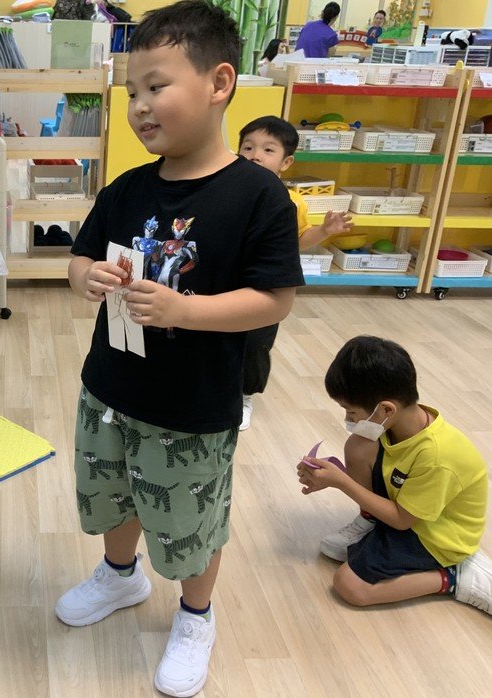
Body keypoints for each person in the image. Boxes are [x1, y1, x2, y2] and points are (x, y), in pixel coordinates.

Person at [56, 3, 305, 696]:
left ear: (219, 83)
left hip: (192, 405)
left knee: (190, 518)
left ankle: (196, 616)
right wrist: (86, 277)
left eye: (156, 86)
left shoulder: (259, 196)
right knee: (113, 494)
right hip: (109, 385)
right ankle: (119, 575)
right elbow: (78, 259)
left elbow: (274, 298)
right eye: (131, 91)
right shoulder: (127, 187)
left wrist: (183, 310)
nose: (139, 106)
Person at [297, 336, 491, 615]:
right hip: (408, 509)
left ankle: (454, 577)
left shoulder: (437, 456)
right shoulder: (398, 424)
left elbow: (402, 520)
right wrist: (331, 474)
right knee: (358, 445)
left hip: (436, 537)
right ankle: (372, 520)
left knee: (349, 585)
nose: (349, 419)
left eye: (351, 411)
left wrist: (341, 482)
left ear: (387, 409)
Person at [236, 116, 353, 429]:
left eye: (268, 150)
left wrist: (324, 231)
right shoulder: (228, 191)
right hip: (228, 279)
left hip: (266, 284)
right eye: (248, 147)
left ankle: (245, 395)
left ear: (286, 162)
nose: (255, 155)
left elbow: (297, 241)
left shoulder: (291, 202)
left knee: (255, 342)